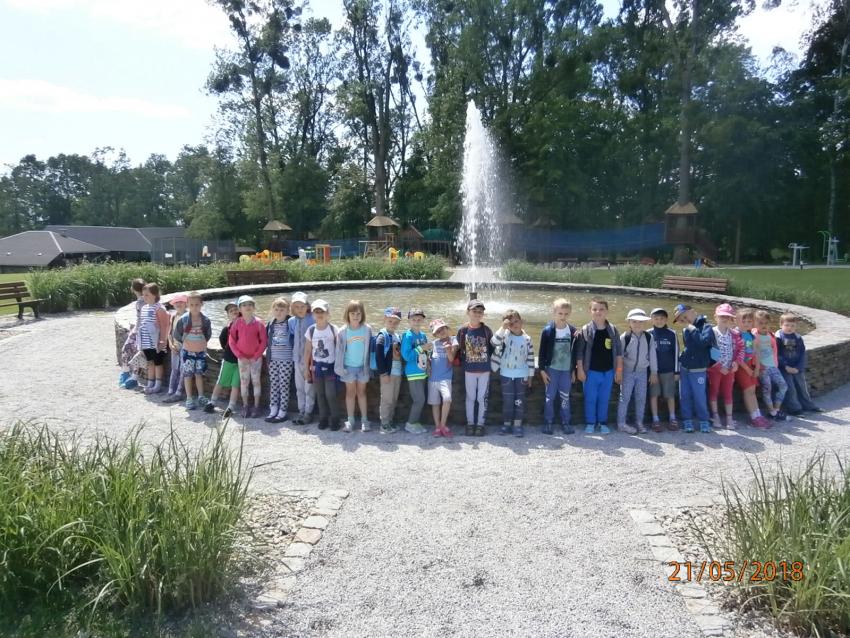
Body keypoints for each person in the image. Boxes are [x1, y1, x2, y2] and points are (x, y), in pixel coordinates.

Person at [575, 298, 623, 435]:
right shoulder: (585, 330)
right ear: (590, 311)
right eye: (595, 309)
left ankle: (602, 422)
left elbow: (619, 353)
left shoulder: (612, 330)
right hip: (591, 372)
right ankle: (590, 422)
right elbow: (579, 353)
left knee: (604, 399)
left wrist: (619, 370)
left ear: (607, 311)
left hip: (608, 372)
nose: (598, 312)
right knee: (590, 399)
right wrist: (580, 370)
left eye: (601, 309)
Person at [491, 309, 535, 437]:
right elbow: (493, 342)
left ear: (521, 321)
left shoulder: (527, 339)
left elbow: (531, 358)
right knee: (508, 401)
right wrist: (502, 328)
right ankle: (506, 424)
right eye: (510, 323)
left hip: (522, 375)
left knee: (519, 401)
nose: (514, 324)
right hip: (506, 374)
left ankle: (517, 425)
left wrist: (531, 376)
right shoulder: (504, 336)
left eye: (516, 321)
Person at [538, 298, 577, 435]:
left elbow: (574, 352)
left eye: (566, 314)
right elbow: (542, 352)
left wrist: (573, 370)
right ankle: (548, 421)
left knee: (565, 397)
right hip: (552, 370)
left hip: (566, 371)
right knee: (550, 397)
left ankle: (566, 422)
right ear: (554, 313)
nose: (563, 316)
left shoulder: (572, 331)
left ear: (569, 314)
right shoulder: (548, 331)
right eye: (560, 313)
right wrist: (542, 370)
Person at [674, 304, 714, 433]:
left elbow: (703, 343)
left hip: (699, 369)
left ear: (693, 312)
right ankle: (687, 420)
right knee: (684, 395)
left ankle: (704, 420)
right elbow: (688, 347)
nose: (684, 320)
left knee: (699, 396)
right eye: (681, 319)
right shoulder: (685, 329)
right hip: (685, 368)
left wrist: (691, 328)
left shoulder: (706, 327)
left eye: (685, 316)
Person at [617, 309, 658, 434]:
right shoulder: (625, 337)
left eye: (640, 322)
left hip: (642, 372)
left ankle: (639, 422)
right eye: (634, 321)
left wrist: (654, 372)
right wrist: (619, 372)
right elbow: (619, 357)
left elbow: (652, 355)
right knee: (624, 398)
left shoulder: (649, 337)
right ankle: (621, 423)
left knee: (641, 398)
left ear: (645, 323)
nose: (637, 324)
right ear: (629, 322)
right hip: (627, 372)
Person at [456, 299, 494, 436]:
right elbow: (459, 347)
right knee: (470, 397)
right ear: (468, 312)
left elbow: (492, 348)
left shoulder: (486, 330)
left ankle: (480, 425)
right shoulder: (463, 330)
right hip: (469, 370)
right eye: (474, 311)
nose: (477, 314)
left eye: (480, 312)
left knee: (482, 398)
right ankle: (470, 423)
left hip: (484, 370)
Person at [335, 300, 374, 433]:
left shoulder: (367, 329)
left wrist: (369, 367)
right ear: (348, 314)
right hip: (348, 367)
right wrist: (340, 368)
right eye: (352, 313)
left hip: (363, 367)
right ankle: (350, 420)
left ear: (362, 315)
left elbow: (371, 349)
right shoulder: (342, 331)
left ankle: (364, 420)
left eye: (358, 314)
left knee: (362, 393)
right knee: (350, 393)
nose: (356, 316)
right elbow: (339, 351)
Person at [775, 313, 822, 415]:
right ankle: (794, 408)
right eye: (787, 325)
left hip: (796, 367)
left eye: (792, 326)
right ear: (781, 325)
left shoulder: (798, 338)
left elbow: (802, 353)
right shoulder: (778, 338)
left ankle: (808, 405)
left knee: (802, 387)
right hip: (784, 368)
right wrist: (785, 366)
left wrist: (799, 367)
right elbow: (776, 354)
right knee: (790, 388)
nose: (790, 328)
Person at [229, 295, 267, 418]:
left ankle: (256, 406)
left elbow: (264, 341)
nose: (247, 307)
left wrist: (256, 356)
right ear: (240, 309)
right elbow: (232, 340)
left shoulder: (259, 323)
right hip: (242, 359)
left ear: (254, 307)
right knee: (244, 382)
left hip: (256, 359)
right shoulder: (237, 323)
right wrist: (239, 355)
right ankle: (245, 405)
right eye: (244, 305)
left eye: (250, 304)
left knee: (256, 382)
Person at [304, 299, 340, 430]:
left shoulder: (333, 329)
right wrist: (306, 369)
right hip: (316, 368)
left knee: (331, 394)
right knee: (320, 394)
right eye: (316, 312)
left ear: (328, 313)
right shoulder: (311, 330)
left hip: (330, 367)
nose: (319, 314)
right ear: (313, 314)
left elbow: (339, 348)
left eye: (322, 311)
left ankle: (335, 418)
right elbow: (307, 350)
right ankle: (323, 418)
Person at [174, 291, 213, 410]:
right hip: (187, 352)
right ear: (187, 305)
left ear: (202, 304)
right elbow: (177, 334)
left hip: (200, 352)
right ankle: (189, 398)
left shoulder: (205, 320)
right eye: (191, 305)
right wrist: (186, 343)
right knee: (187, 375)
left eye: (197, 305)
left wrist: (201, 344)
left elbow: (208, 334)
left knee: (199, 374)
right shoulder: (184, 319)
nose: (194, 307)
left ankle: (201, 396)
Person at [735, 308, 771, 428]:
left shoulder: (750, 335)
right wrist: (747, 369)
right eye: (743, 321)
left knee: (752, 391)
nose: (746, 324)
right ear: (737, 321)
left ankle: (758, 415)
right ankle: (754, 417)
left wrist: (757, 368)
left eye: (749, 321)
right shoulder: (736, 335)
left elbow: (756, 351)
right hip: (742, 367)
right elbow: (737, 356)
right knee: (748, 390)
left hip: (751, 365)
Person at [708, 303, 743, 430]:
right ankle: (715, 415)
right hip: (715, 369)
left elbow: (741, 348)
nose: (725, 319)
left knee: (728, 392)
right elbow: (708, 352)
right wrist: (718, 366)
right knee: (714, 391)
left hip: (729, 369)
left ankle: (729, 417)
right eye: (722, 316)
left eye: (727, 317)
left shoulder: (734, 334)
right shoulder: (711, 333)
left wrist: (736, 363)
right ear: (715, 317)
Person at [205, 302, 241, 418]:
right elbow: (222, 341)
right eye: (231, 311)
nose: (234, 312)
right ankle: (212, 402)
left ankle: (231, 407)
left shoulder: (245, 326)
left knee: (235, 384)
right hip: (229, 359)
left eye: (236, 309)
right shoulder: (227, 328)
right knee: (220, 381)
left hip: (241, 361)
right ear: (228, 315)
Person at [648, 308, 680, 431]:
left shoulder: (672, 333)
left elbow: (676, 353)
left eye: (662, 318)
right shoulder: (648, 333)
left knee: (670, 395)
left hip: (668, 371)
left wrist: (676, 371)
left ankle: (672, 418)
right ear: (651, 320)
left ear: (666, 319)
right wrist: (649, 372)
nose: (659, 321)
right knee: (654, 395)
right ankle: (655, 419)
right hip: (654, 372)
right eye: (656, 318)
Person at [401, 308, 431, 434]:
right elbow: (406, 356)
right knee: (419, 400)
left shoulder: (423, 335)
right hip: (413, 372)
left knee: (421, 399)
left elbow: (425, 353)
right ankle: (410, 423)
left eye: (419, 319)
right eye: (414, 319)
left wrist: (428, 365)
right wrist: (421, 348)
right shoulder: (407, 336)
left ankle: (416, 421)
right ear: (409, 321)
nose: (417, 322)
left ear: (423, 320)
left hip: (422, 371)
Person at [753, 310, 788, 421]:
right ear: (755, 323)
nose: (764, 325)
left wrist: (775, 364)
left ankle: (777, 409)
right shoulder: (754, 336)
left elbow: (774, 350)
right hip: (762, 368)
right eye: (760, 323)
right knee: (767, 389)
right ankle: (771, 410)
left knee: (783, 386)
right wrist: (757, 365)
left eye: (766, 323)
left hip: (773, 366)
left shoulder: (771, 335)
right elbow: (752, 352)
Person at [137, 283, 171, 395]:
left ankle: (158, 385)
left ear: (155, 295)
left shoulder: (159, 309)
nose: (144, 297)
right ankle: (150, 383)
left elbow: (164, 326)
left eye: (147, 295)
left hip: (156, 342)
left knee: (158, 363)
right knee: (150, 362)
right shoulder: (144, 308)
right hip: (146, 342)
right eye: (143, 295)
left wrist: (162, 341)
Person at [374, 307, 404, 434]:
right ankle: (384, 423)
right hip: (387, 373)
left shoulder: (397, 336)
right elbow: (379, 357)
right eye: (390, 321)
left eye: (396, 322)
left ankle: (390, 420)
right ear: (384, 320)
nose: (393, 324)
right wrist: (383, 373)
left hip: (397, 372)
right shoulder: (382, 336)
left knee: (394, 398)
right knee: (387, 399)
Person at [428, 318, 458, 437]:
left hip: (445, 378)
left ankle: (442, 424)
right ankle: (437, 427)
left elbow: (451, 359)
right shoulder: (434, 343)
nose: (442, 332)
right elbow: (429, 359)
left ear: (447, 328)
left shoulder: (453, 340)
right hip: (432, 379)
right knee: (435, 403)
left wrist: (448, 350)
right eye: (438, 331)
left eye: (443, 328)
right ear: (435, 334)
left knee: (447, 398)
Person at [288, 292, 315, 425]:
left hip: (309, 360)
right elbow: (292, 336)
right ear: (292, 308)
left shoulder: (313, 319)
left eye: (302, 306)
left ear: (307, 306)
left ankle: (309, 412)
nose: (299, 309)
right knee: (299, 387)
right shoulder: (291, 321)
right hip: (296, 359)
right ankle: (301, 410)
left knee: (309, 387)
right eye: (296, 306)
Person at [265, 297, 293, 423]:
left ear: (287, 311)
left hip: (286, 359)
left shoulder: (290, 323)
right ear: (272, 310)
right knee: (274, 385)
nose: (279, 312)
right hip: (273, 359)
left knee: (284, 385)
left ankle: (283, 410)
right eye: (276, 309)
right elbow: (267, 341)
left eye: (282, 310)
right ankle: (273, 409)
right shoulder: (271, 324)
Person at [120, 278, 147, 390]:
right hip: (139, 330)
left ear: (133, 289)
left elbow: (142, 319)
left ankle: (128, 375)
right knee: (136, 353)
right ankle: (131, 376)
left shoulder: (141, 302)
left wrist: (136, 329)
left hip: (139, 331)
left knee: (127, 350)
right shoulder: (143, 300)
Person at [162, 294, 188, 403]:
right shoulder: (173, 316)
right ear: (173, 305)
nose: (178, 304)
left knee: (183, 370)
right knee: (174, 369)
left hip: (185, 347)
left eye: (181, 302)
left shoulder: (188, 316)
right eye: (176, 302)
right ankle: (170, 390)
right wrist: (171, 344)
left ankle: (179, 392)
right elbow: (170, 332)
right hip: (175, 346)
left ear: (185, 304)